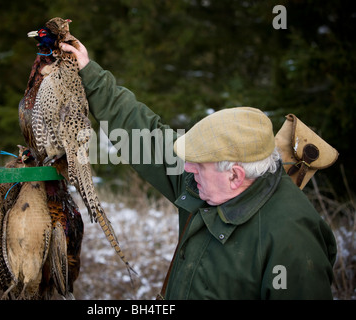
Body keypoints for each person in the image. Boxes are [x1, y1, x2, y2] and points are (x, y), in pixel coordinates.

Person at [60, 41, 337, 300]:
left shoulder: (293, 241)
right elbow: (142, 134)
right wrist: (90, 74)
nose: (186, 168)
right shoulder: (207, 179)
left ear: (235, 175)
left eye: (198, 165)